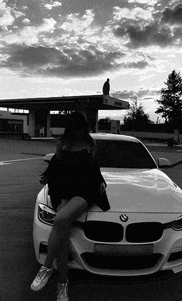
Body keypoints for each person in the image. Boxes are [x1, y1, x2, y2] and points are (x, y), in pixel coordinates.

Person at [31, 112, 110, 301]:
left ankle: (47, 266)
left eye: (79, 126)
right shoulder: (62, 143)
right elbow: (56, 165)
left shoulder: (90, 144)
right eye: (74, 126)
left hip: (85, 190)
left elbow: (93, 167)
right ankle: (62, 284)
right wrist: (46, 175)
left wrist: (100, 181)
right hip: (64, 189)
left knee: (60, 218)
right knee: (63, 232)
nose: (78, 130)